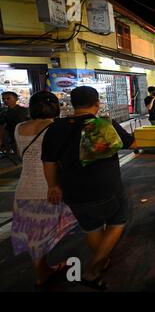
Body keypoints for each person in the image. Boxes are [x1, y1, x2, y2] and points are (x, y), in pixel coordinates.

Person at [41, 86, 136, 290]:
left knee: (91, 227)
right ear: (97, 103)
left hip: (72, 191)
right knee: (118, 223)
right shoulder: (105, 124)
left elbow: (49, 161)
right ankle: (93, 268)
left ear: (72, 104)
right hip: (106, 187)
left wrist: (52, 187)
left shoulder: (55, 128)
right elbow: (131, 143)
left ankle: (102, 260)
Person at [11, 91, 77, 288]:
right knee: (61, 224)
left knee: (33, 234)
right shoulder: (57, 128)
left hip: (24, 189)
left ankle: (42, 272)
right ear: (56, 108)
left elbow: (20, 153)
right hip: (51, 187)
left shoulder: (19, 127)